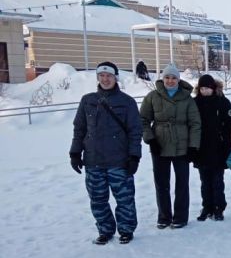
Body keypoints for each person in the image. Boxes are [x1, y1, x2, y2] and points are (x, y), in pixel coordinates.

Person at [70, 61, 142, 245]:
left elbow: (135, 131)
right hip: (93, 161)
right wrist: (75, 152)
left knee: (124, 199)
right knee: (98, 200)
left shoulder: (127, 102)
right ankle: (105, 230)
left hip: (119, 161)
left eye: (109, 75)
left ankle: (126, 230)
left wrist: (135, 156)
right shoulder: (88, 100)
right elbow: (79, 129)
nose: (105, 79)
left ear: (115, 77)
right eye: (101, 75)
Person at [140, 63, 201, 229]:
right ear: (162, 78)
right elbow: (143, 120)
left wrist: (193, 146)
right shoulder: (152, 96)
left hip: (182, 145)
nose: (170, 81)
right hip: (160, 143)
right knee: (161, 183)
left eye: (174, 77)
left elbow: (195, 123)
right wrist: (150, 139)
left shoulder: (187, 98)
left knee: (182, 182)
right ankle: (164, 216)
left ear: (178, 79)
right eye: (167, 77)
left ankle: (180, 216)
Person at [193, 74, 231, 221]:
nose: (205, 91)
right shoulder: (195, 103)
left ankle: (218, 207)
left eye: (208, 88)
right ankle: (207, 206)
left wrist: (227, 143)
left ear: (213, 88)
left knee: (217, 180)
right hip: (201, 149)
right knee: (205, 181)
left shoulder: (223, 102)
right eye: (202, 88)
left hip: (218, 148)